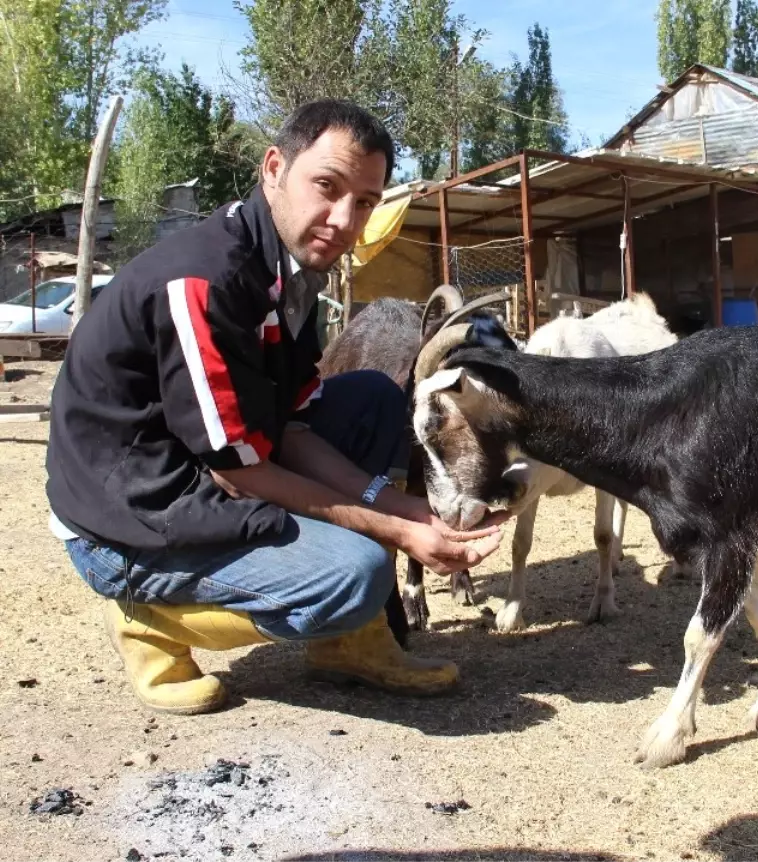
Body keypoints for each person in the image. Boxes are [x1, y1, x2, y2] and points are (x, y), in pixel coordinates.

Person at [45, 99, 505, 715]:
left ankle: (344, 644)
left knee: (370, 398)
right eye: (327, 185)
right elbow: (239, 472)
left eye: (365, 201)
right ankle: (150, 618)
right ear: (273, 169)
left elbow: (290, 430)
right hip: (132, 516)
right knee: (357, 574)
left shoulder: (288, 277)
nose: (344, 219)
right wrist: (394, 531)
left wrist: (405, 506)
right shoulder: (204, 284)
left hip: (199, 475)